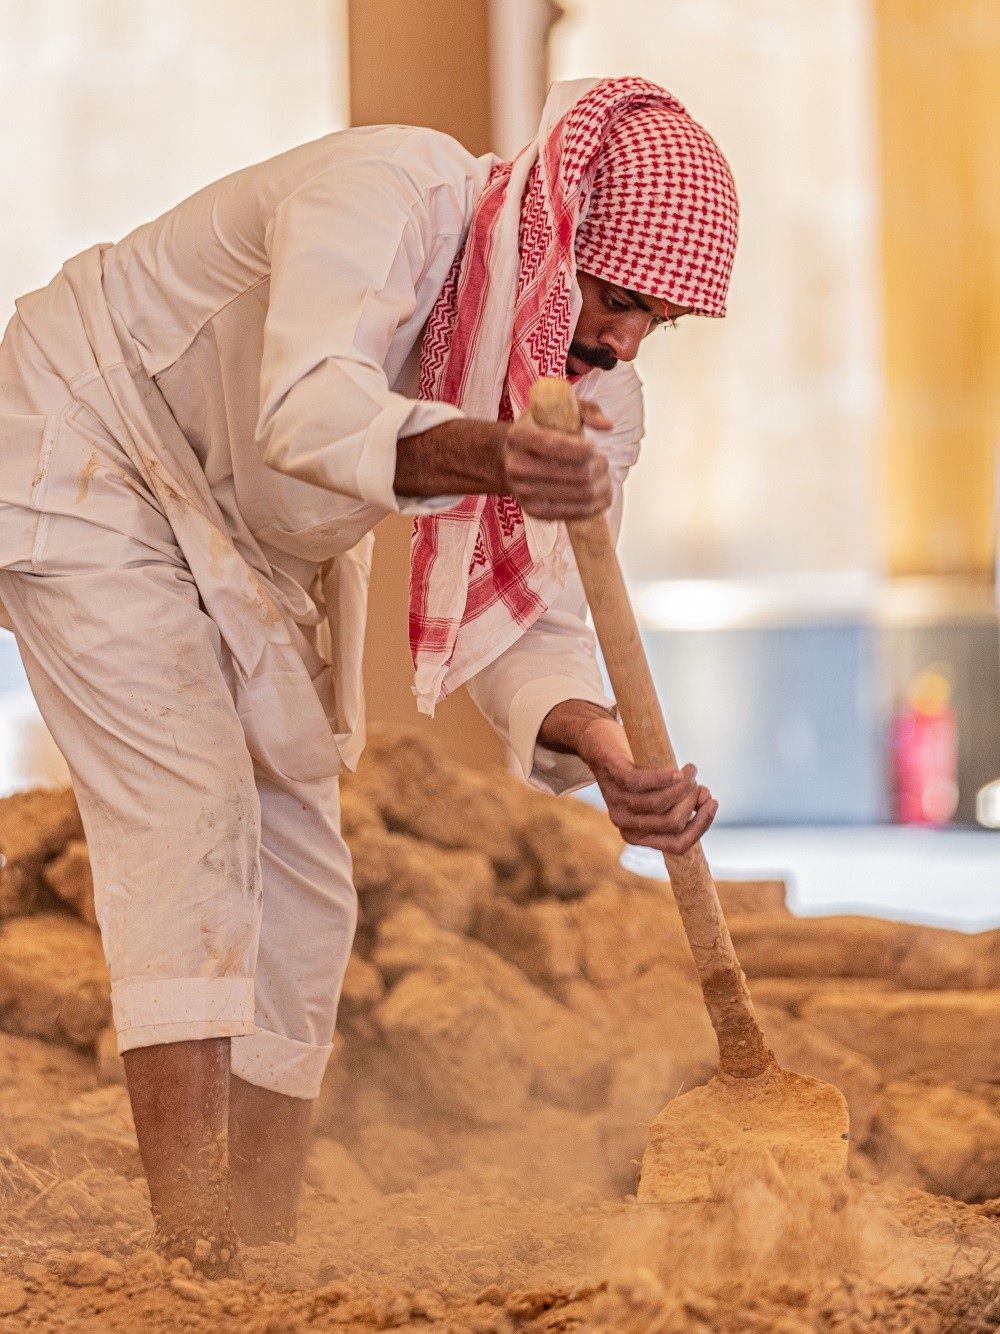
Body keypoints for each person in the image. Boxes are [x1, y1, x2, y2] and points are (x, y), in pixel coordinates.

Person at [0, 75, 737, 1270]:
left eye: (658, 319)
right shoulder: (389, 189)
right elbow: (307, 412)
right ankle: (198, 1259)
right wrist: (500, 453)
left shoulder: (596, 398)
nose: (623, 339)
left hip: (251, 536)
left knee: (306, 869)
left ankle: (263, 1245)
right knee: (189, 809)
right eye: (614, 299)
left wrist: (601, 744)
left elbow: (528, 617)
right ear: (552, 239)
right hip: (88, 432)